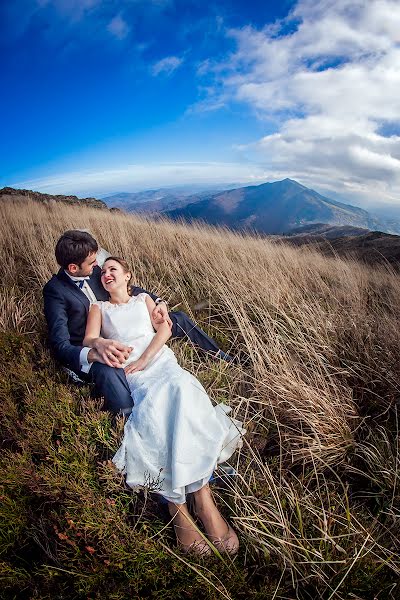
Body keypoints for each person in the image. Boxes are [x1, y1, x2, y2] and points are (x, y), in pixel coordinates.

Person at [83, 256, 244, 554]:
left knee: (182, 387)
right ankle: (178, 505)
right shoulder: (99, 307)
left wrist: (146, 358)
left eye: (112, 269)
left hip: (158, 359)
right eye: (103, 272)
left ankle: (200, 496)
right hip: (132, 369)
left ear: (128, 276)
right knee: (156, 408)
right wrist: (102, 345)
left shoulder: (145, 299)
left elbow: (165, 330)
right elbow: (90, 337)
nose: (106, 274)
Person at [43, 230, 233, 416]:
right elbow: (60, 345)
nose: (98, 268)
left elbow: (129, 286)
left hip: (128, 322)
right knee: (113, 379)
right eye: (93, 264)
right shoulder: (55, 291)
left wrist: (160, 303)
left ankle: (221, 357)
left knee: (179, 319)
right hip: (98, 342)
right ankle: (132, 415)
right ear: (73, 268)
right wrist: (95, 349)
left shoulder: (95, 269)